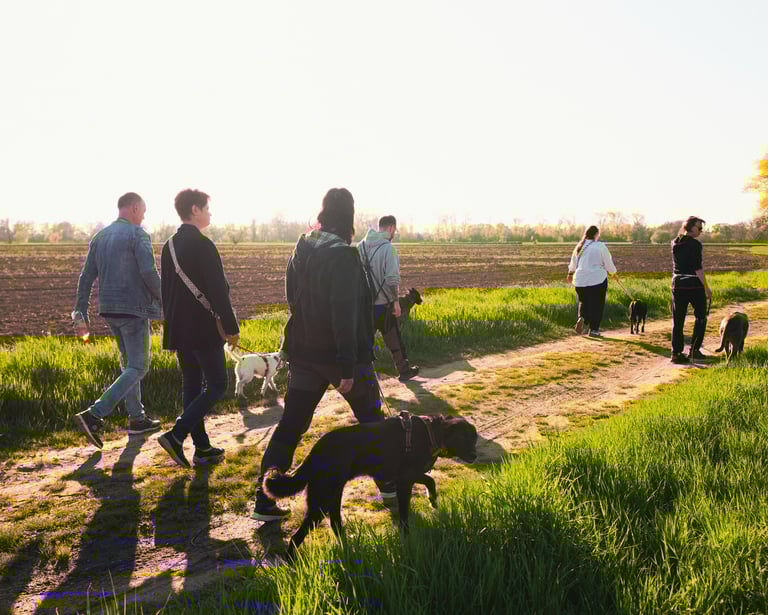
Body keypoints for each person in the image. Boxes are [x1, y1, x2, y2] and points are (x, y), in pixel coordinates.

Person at [251, 187, 396, 522]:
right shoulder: (344, 257)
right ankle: (389, 485)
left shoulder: (301, 249)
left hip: (304, 352)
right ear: (349, 217)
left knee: (291, 425)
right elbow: (344, 314)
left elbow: (292, 297)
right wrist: (346, 366)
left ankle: (264, 499)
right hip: (341, 358)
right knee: (373, 420)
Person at [72, 192, 163, 449]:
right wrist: (167, 298)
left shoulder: (100, 237)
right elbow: (148, 272)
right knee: (139, 367)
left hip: (109, 310)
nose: (143, 216)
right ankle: (94, 414)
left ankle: (137, 419)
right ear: (134, 208)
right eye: (143, 211)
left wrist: (81, 311)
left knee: (129, 366)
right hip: (134, 309)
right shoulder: (138, 235)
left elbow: (86, 277)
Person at [157, 189, 240, 468]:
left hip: (179, 328)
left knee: (192, 385)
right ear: (194, 210)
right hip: (203, 328)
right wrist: (231, 327)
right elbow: (218, 291)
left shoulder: (168, 246)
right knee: (218, 384)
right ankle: (177, 434)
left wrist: (171, 327)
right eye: (206, 208)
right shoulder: (204, 245)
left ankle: (202, 448)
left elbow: (166, 291)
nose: (210, 213)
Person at [358, 215, 419, 381]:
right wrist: (396, 302)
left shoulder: (360, 246)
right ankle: (404, 371)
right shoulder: (388, 249)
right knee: (394, 340)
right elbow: (392, 279)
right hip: (384, 304)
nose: (394, 233)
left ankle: (361, 376)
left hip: (365, 306)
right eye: (395, 230)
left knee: (364, 342)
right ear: (391, 228)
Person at [670, 216, 712, 364]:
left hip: (678, 284)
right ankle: (694, 350)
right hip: (694, 284)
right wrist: (706, 288)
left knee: (678, 319)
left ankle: (676, 353)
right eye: (699, 228)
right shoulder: (695, 244)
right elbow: (698, 268)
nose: (701, 231)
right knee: (701, 317)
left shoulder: (675, 242)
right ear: (691, 227)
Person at [567, 225, 618, 338]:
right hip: (597, 280)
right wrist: (613, 273)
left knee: (583, 301)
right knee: (597, 304)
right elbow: (608, 262)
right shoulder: (600, 246)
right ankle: (594, 330)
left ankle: (582, 317)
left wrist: (570, 274)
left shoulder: (579, 246)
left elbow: (573, 262)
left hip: (580, 280)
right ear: (596, 234)